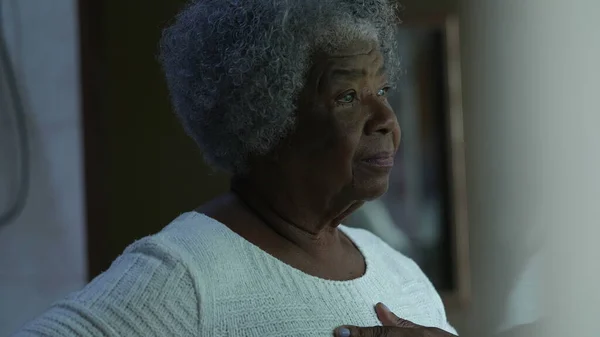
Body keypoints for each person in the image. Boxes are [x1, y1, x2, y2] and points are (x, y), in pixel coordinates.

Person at [13, 0, 457, 336]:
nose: (386, 120)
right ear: (266, 118)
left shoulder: (400, 273)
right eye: (347, 97)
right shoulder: (185, 277)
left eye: (382, 89)